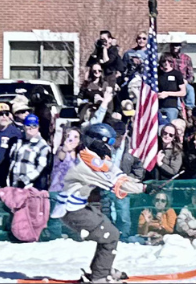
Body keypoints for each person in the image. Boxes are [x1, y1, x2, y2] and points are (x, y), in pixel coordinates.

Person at [51, 128, 143, 284]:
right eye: (108, 142)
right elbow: (113, 182)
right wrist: (144, 189)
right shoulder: (82, 163)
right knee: (110, 235)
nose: (109, 147)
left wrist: (140, 184)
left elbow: (115, 174)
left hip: (79, 207)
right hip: (72, 210)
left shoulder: (89, 157)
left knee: (110, 231)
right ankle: (99, 276)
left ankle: (103, 269)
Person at [8, 114, 51, 189]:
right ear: (24, 127)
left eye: (34, 126)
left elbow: (41, 167)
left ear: (38, 127)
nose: (31, 128)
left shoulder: (42, 145)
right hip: (13, 184)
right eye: (28, 125)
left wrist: (25, 180)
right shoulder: (18, 142)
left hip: (29, 186)